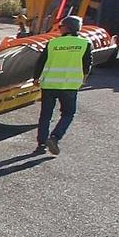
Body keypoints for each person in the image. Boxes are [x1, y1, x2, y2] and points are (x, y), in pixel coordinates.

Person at [35, 14, 93, 156]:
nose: (59, 28)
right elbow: (87, 65)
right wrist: (83, 80)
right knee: (68, 114)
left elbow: (41, 62)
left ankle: (41, 143)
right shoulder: (85, 44)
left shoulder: (52, 43)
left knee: (45, 115)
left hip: (49, 84)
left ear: (65, 28)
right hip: (69, 85)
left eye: (60, 26)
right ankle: (55, 137)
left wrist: (36, 78)